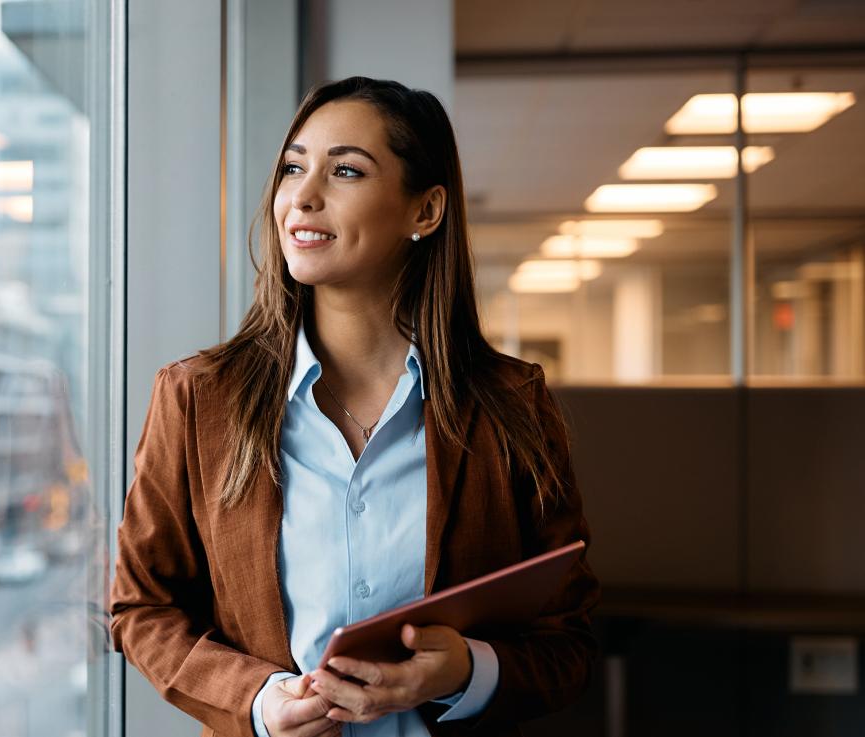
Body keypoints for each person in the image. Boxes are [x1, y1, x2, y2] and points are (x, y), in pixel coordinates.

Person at [108, 76, 600, 737]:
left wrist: (465, 670)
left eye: (345, 170)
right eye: (292, 167)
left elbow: (569, 639)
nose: (302, 197)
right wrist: (257, 699)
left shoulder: (509, 405)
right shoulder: (200, 398)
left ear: (424, 212)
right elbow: (140, 608)